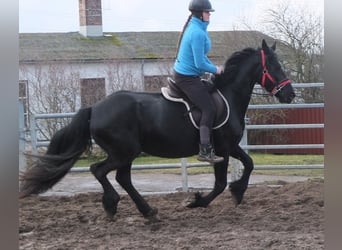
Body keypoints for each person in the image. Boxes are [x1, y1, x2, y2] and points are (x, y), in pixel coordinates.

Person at [173, 0, 224, 163]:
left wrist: (214, 67)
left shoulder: (198, 29)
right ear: (200, 14)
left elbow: (202, 57)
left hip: (190, 75)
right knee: (208, 108)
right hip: (186, 78)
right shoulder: (197, 33)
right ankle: (205, 150)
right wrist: (216, 70)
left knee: (211, 90)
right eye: (208, 12)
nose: (209, 15)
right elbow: (199, 64)